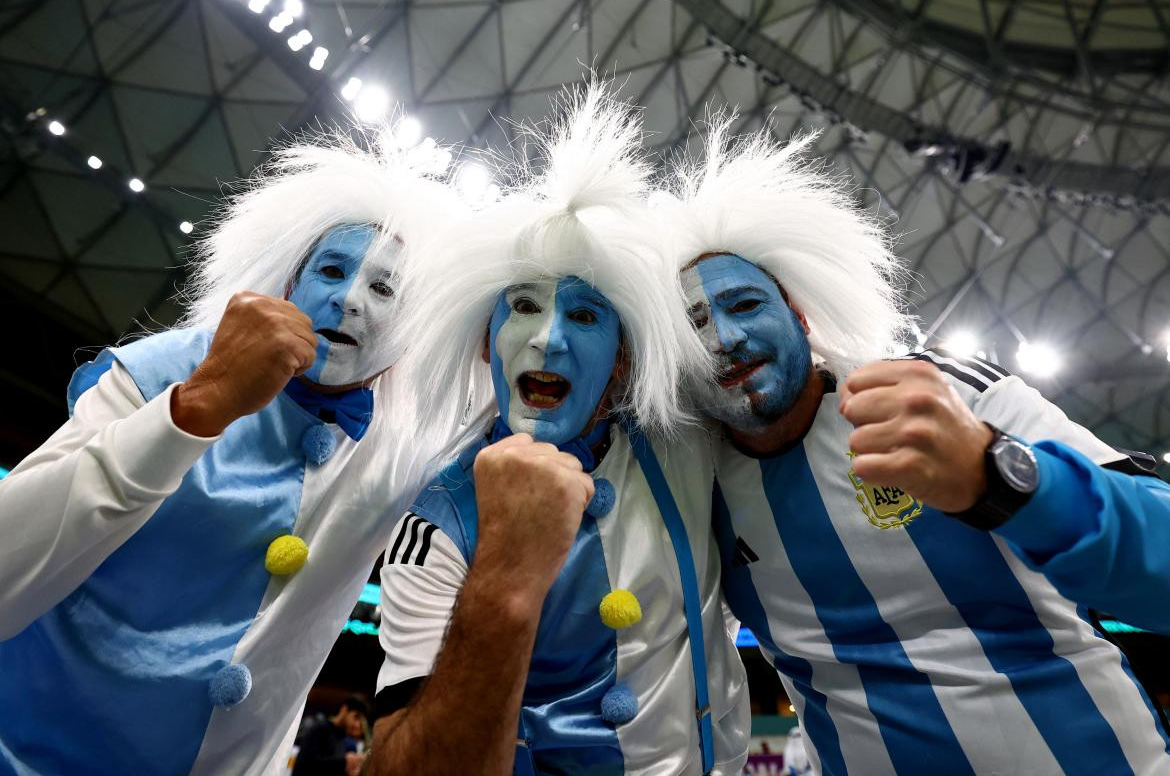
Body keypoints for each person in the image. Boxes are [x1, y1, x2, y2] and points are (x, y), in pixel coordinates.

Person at [665, 120, 1170, 774]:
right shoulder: (688, 476)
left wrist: (1000, 477)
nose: (723, 338)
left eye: (743, 303)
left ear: (800, 314)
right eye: (693, 323)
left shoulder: (942, 393)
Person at [0, 131, 465, 774]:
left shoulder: (408, 447)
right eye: (331, 270)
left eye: (386, 290)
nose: (351, 298)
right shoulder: (161, 370)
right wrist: (194, 407)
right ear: (287, 281)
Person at [367, 86, 749, 775]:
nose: (548, 340)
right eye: (523, 306)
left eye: (586, 316)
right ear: (486, 343)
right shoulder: (438, 523)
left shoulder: (685, 445)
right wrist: (507, 578)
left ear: (624, 358)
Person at [292, 696, 370, 776]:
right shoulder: (320, 729)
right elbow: (307, 764)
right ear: (344, 710)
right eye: (355, 717)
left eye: (360, 721)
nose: (357, 725)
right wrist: (345, 762)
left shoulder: (342, 739)